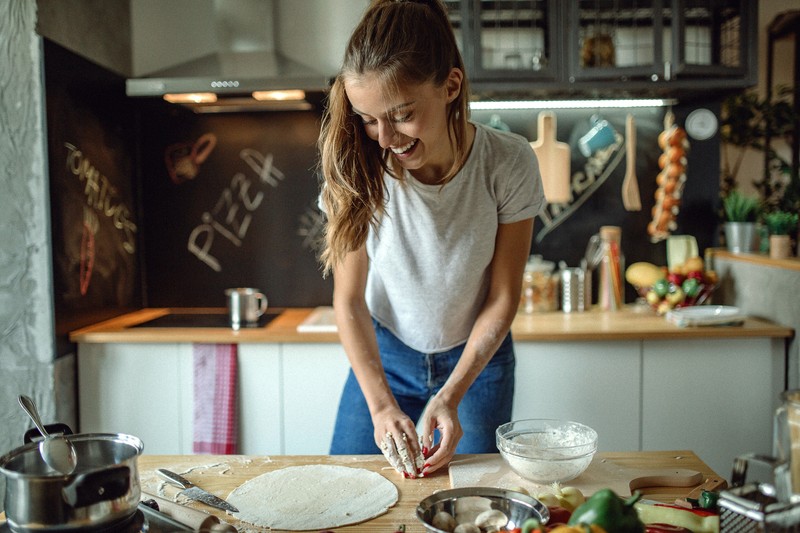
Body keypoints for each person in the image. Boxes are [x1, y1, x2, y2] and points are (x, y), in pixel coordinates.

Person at [317, 0, 545, 478]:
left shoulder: (509, 161)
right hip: (385, 358)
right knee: (349, 489)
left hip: (478, 365)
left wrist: (451, 393)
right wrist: (381, 408)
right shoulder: (359, 165)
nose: (384, 139)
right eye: (368, 118)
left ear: (450, 86)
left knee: (472, 501)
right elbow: (350, 300)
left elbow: (504, 294)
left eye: (401, 115)